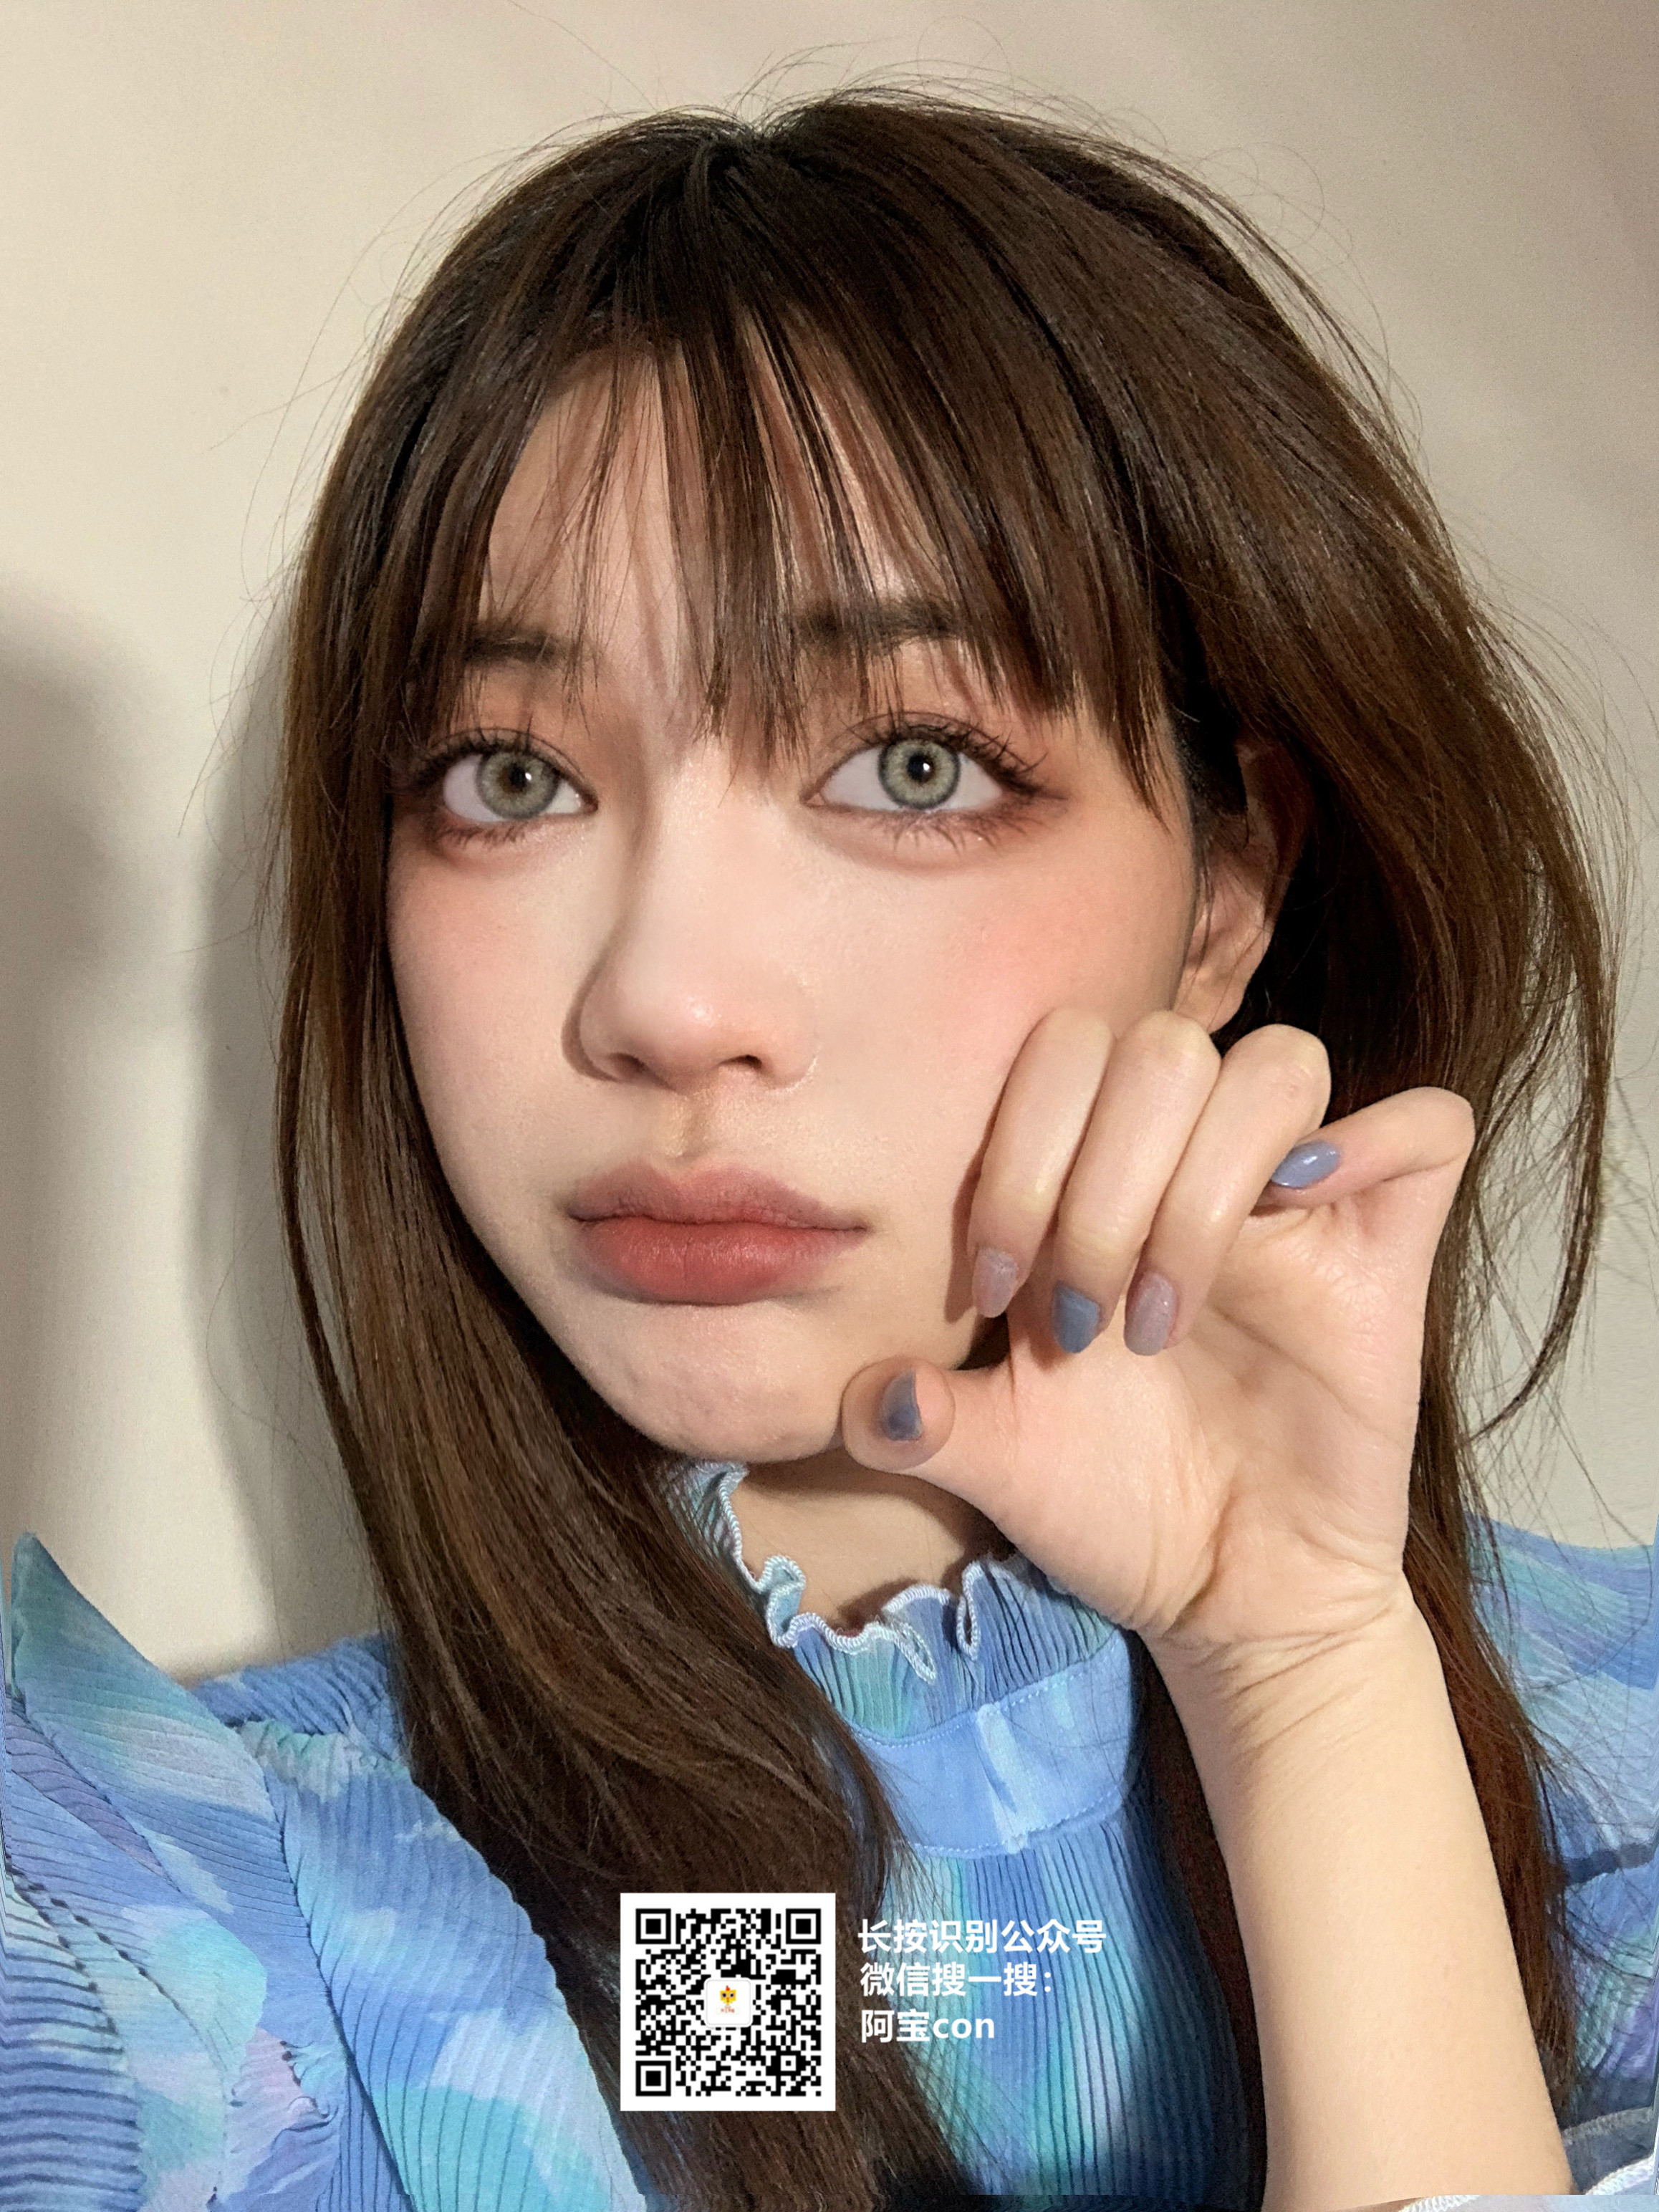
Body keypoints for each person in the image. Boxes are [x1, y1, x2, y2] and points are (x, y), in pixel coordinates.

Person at [1, 90, 1653, 2212]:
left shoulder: (1604, 1773)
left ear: (1227, 881)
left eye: (912, 763)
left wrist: (1305, 1667)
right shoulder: (176, 1952)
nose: (670, 1001)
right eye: (512, 776)